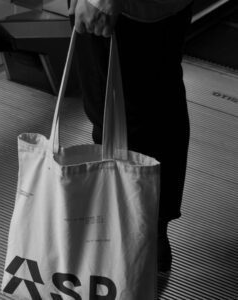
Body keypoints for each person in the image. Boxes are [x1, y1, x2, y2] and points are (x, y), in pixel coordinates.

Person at [68, 0, 193, 272]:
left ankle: (134, 234)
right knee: (158, 101)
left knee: (124, 116)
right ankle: (146, 229)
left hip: (129, 11)